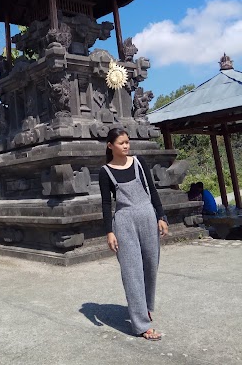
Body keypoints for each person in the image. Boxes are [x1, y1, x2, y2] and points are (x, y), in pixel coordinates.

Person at [99, 127, 169, 341]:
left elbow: (153, 190)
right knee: (131, 271)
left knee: (150, 265)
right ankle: (141, 325)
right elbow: (105, 203)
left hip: (147, 216)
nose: (126, 146)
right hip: (124, 222)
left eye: (127, 142)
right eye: (122, 143)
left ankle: (144, 307)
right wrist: (109, 231)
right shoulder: (106, 171)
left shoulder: (139, 163)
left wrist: (161, 216)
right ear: (111, 146)